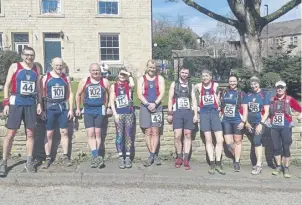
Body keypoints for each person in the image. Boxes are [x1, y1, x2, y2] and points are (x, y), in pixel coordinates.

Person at [0, 47, 42, 176]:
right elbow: (7, 85)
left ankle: (29, 162)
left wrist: (40, 103)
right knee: (11, 133)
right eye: (27, 55)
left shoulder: (37, 68)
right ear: (22, 55)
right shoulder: (15, 66)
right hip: (17, 103)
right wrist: (6, 103)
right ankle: (4, 162)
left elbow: (39, 89)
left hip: (30, 104)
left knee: (30, 133)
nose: (29, 57)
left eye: (32, 55)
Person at [75, 63, 110, 168]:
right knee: (90, 133)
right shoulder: (84, 81)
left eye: (97, 70)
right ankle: (96, 156)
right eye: (93, 70)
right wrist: (77, 108)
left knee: (98, 133)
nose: (95, 72)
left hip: (99, 109)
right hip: (88, 109)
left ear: (100, 71)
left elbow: (110, 93)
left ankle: (96, 157)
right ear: (90, 71)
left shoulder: (104, 81)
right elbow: (78, 94)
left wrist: (108, 107)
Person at [41, 57, 74, 168]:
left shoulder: (66, 78)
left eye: (61, 65)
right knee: (49, 133)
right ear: (52, 65)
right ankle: (48, 157)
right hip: (50, 108)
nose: (59, 67)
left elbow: (70, 94)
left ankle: (65, 156)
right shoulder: (46, 77)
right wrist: (42, 109)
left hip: (62, 108)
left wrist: (70, 109)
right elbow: (41, 94)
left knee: (64, 132)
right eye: (57, 65)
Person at [269, 81, 301, 178]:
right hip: (274, 127)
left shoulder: (289, 99)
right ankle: (278, 166)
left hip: (286, 127)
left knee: (286, 148)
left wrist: (299, 116)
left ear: (285, 88)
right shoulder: (272, 99)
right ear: (276, 89)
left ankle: (286, 167)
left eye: (281, 87)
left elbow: (300, 109)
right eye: (278, 88)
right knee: (276, 147)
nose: (279, 89)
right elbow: (264, 111)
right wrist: (266, 119)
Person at [167, 67, 198, 170]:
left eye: (186, 73)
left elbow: (193, 99)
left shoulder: (191, 85)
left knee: (188, 135)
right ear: (180, 73)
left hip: (188, 112)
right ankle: (179, 157)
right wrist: (170, 113)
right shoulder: (174, 84)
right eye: (183, 72)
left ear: (188, 74)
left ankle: (186, 158)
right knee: (177, 135)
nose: (184, 74)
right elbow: (170, 99)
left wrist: (195, 115)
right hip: (178, 112)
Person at [195, 69, 225, 175]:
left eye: (207, 75)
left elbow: (220, 98)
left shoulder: (215, 85)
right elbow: (194, 100)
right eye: (203, 76)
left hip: (214, 113)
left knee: (220, 140)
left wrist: (220, 108)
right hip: (204, 114)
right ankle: (212, 164)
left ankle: (218, 163)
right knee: (208, 140)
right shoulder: (198, 86)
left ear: (211, 77)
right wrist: (196, 112)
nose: (204, 78)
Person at [137, 60, 165, 167]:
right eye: (150, 67)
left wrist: (155, 103)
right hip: (145, 107)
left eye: (153, 68)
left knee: (155, 131)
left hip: (157, 107)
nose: (152, 69)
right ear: (147, 67)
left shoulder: (160, 78)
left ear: (156, 68)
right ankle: (153, 155)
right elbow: (139, 94)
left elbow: (162, 93)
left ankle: (152, 155)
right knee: (148, 132)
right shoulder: (141, 79)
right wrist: (148, 104)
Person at [242, 76, 270, 175]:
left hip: (260, 122)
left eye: (255, 83)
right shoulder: (248, 95)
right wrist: (246, 122)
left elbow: (267, 112)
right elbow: (245, 110)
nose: (254, 85)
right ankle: (258, 162)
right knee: (254, 142)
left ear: (259, 83)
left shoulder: (264, 94)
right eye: (252, 84)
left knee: (257, 141)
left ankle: (259, 164)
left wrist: (261, 124)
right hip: (250, 123)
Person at [109, 68, 135, 169]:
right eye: (121, 74)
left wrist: (128, 74)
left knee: (128, 135)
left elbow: (133, 84)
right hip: (119, 114)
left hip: (128, 113)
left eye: (124, 75)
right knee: (119, 135)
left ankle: (128, 157)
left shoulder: (128, 85)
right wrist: (115, 114)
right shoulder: (114, 86)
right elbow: (112, 101)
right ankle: (121, 157)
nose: (122, 76)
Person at [220, 74, 246, 172]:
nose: (232, 83)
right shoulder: (224, 92)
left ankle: (237, 162)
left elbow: (245, 108)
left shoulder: (241, 93)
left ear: (237, 82)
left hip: (237, 120)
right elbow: (221, 105)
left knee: (238, 141)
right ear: (228, 82)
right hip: (226, 120)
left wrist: (243, 121)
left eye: (234, 81)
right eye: (230, 81)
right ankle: (237, 155)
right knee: (228, 142)